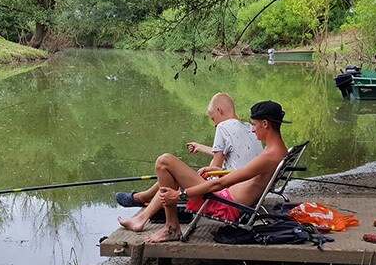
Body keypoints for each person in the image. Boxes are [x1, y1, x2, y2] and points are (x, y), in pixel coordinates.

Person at [117, 100, 290, 243]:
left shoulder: (269, 156)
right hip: (231, 197)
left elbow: (220, 184)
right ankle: (155, 219)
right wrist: (218, 170)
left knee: (164, 162)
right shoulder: (278, 151)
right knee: (171, 168)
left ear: (265, 124)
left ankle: (171, 227)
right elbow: (244, 174)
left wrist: (180, 196)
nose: (252, 129)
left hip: (225, 204)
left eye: (254, 125)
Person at [115, 92, 262, 208]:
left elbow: (215, 166)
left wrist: (193, 176)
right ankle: (143, 197)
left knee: (171, 169)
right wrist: (200, 147)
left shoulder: (223, 127)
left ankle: (142, 198)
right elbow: (231, 153)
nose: (214, 124)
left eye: (213, 118)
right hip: (249, 190)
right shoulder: (250, 128)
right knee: (180, 172)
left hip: (230, 192)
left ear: (219, 110)